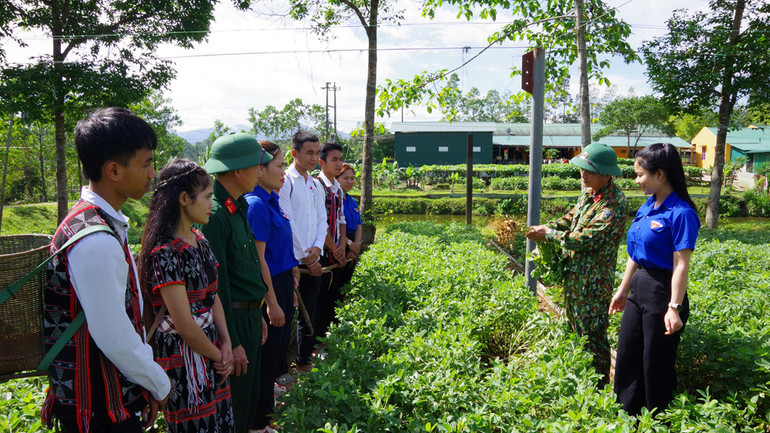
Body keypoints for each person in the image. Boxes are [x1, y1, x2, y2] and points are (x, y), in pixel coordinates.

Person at [41, 107, 171, 433]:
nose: (153, 173)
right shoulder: (95, 240)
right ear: (113, 170)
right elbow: (114, 337)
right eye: (146, 164)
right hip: (98, 409)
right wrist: (158, 383)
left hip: (107, 399)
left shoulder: (95, 223)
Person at [138, 158, 234, 433]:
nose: (212, 204)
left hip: (211, 349)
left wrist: (226, 343)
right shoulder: (165, 252)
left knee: (221, 422)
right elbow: (184, 324)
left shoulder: (199, 240)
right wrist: (219, 356)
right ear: (183, 199)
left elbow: (212, 296)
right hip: (184, 358)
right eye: (207, 197)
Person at [609, 142, 700, 415]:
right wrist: (623, 290)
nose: (637, 181)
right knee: (628, 353)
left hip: (662, 291)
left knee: (655, 361)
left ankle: (656, 418)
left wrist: (674, 307)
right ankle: (626, 415)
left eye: (640, 175)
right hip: (639, 287)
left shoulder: (681, 213)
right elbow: (635, 255)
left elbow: (681, 264)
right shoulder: (648, 206)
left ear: (659, 174)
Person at [526, 142, 628, 385]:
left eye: (589, 171)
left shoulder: (614, 204)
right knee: (575, 334)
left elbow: (587, 239)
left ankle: (598, 388)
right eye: (582, 169)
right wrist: (547, 227)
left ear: (606, 174)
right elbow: (570, 219)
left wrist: (550, 235)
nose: (583, 174)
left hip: (592, 286)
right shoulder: (589, 194)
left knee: (593, 339)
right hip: (574, 280)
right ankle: (578, 383)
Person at [200, 133, 273, 433]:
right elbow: (218, 285)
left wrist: (258, 311)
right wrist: (233, 339)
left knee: (249, 399)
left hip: (248, 317)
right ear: (238, 171)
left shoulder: (238, 207)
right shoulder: (216, 215)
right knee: (236, 405)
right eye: (257, 166)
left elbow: (247, 271)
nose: (260, 172)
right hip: (233, 321)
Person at [245, 141, 300, 433]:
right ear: (260, 169)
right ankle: (259, 423)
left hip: (282, 281)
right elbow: (259, 260)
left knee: (276, 354)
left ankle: (266, 413)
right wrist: (272, 302)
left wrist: (292, 268)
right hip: (271, 288)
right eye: (279, 166)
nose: (283, 172)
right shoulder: (255, 205)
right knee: (266, 360)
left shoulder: (272, 199)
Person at [278, 130, 327, 372]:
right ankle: (280, 369)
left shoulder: (315, 184)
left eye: (317, 153)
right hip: (292, 261)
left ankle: (304, 360)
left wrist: (317, 247)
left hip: (313, 259)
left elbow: (321, 219)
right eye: (309, 153)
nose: (314, 158)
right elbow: (287, 221)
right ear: (294, 153)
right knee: (285, 315)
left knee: (310, 309)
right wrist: (305, 256)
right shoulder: (285, 181)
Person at [315, 142, 347, 341]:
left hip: (335, 252)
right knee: (318, 301)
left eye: (340, 159)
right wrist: (335, 249)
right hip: (323, 254)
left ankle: (328, 339)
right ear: (321, 162)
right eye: (334, 159)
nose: (339, 164)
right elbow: (319, 223)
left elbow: (341, 219)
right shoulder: (317, 186)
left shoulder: (338, 189)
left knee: (332, 299)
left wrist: (342, 245)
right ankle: (317, 343)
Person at [336, 163, 362, 287]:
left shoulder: (352, 201)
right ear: (336, 179)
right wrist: (350, 244)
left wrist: (356, 245)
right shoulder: (335, 199)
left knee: (346, 283)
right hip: (340, 243)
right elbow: (335, 226)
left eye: (352, 178)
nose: (349, 181)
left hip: (353, 245)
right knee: (336, 282)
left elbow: (358, 225)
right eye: (345, 178)